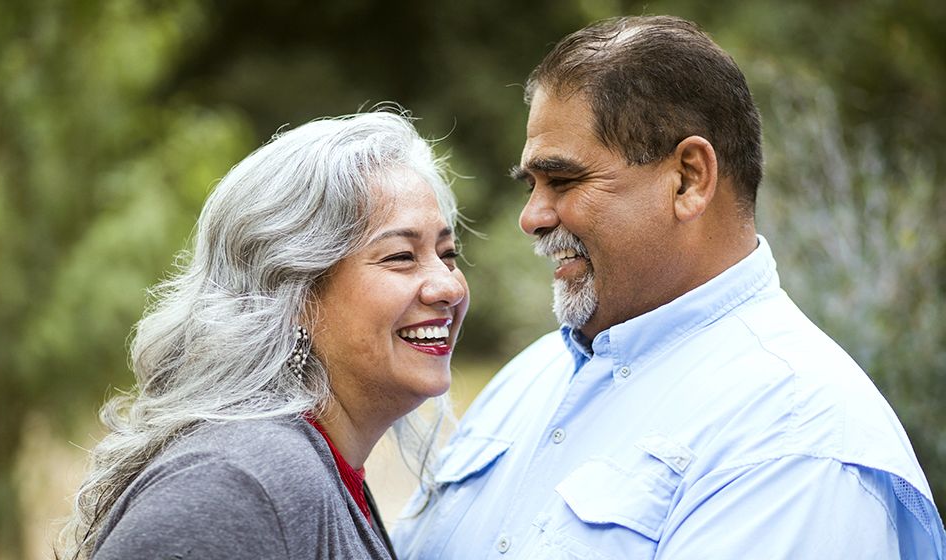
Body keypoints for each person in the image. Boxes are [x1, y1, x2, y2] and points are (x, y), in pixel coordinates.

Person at [392, 15, 945, 559]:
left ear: (689, 179)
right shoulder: (530, 378)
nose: (532, 216)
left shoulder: (795, 439)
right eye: (532, 185)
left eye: (563, 180)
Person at [56, 110, 469, 559]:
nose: (449, 285)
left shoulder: (308, 470)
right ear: (293, 294)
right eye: (400, 256)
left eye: (447, 254)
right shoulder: (237, 483)